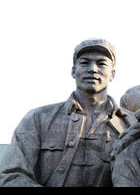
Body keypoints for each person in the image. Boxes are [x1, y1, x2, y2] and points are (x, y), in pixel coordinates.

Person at [0, 39, 132, 187]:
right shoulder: (38, 118)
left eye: (101, 64)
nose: (93, 69)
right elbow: (11, 175)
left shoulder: (131, 124)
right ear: (73, 71)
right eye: (84, 63)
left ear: (112, 74)